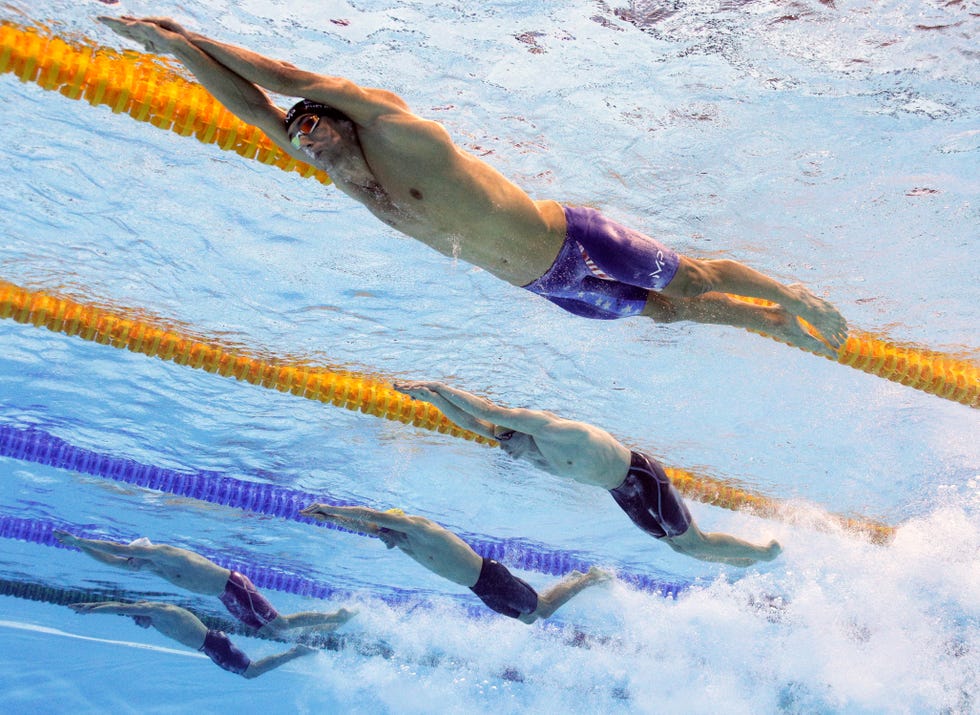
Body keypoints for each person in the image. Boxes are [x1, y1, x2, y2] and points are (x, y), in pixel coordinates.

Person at [98, 16, 847, 358]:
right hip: (541, 282)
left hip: (571, 238)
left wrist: (173, 35)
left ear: (337, 118)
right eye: (297, 139)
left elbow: (282, 82)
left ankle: (792, 296)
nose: (304, 144)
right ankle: (767, 327)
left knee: (694, 280)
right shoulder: (349, 174)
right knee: (668, 318)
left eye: (311, 130)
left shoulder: (391, 129)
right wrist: (179, 62)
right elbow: (252, 109)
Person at [393, 381, 781, 567]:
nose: (504, 448)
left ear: (523, 432)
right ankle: (739, 560)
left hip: (640, 478)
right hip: (621, 492)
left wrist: (437, 386)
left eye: (508, 440)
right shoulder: (525, 444)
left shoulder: (550, 431)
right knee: (679, 547)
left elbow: (490, 412)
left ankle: (764, 551)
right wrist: (431, 402)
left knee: (693, 544)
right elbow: (476, 424)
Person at [298, 503, 608, 623]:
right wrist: (332, 520)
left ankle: (588, 578)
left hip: (490, 577)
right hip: (478, 588)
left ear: (395, 525)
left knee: (543, 610)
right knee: (530, 618)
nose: (383, 540)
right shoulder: (401, 540)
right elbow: (367, 527)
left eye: (385, 535)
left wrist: (327, 507)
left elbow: (372, 517)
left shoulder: (418, 529)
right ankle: (573, 579)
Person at [53, 530, 355, 635]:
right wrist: (80, 548)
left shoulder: (162, 555)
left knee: (282, 626)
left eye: (134, 560)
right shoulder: (154, 568)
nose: (132, 566)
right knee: (273, 630)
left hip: (234, 586)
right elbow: (114, 561)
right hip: (224, 597)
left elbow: (119, 552)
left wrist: (78, 539)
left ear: (141, 552)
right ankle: (328, 625)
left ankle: (337, 617)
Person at [69, 600, 316, 678]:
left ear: (141, 611)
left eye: (136, 618)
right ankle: (296, 652)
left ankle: (297, 652)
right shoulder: (154, 617)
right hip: (211, 645)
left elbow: (119, 606)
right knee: (251, 672)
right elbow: (125, 609)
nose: (136, 622)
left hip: (213, 645)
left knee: (251, 672)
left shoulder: (158, 611)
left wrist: (91, 608)